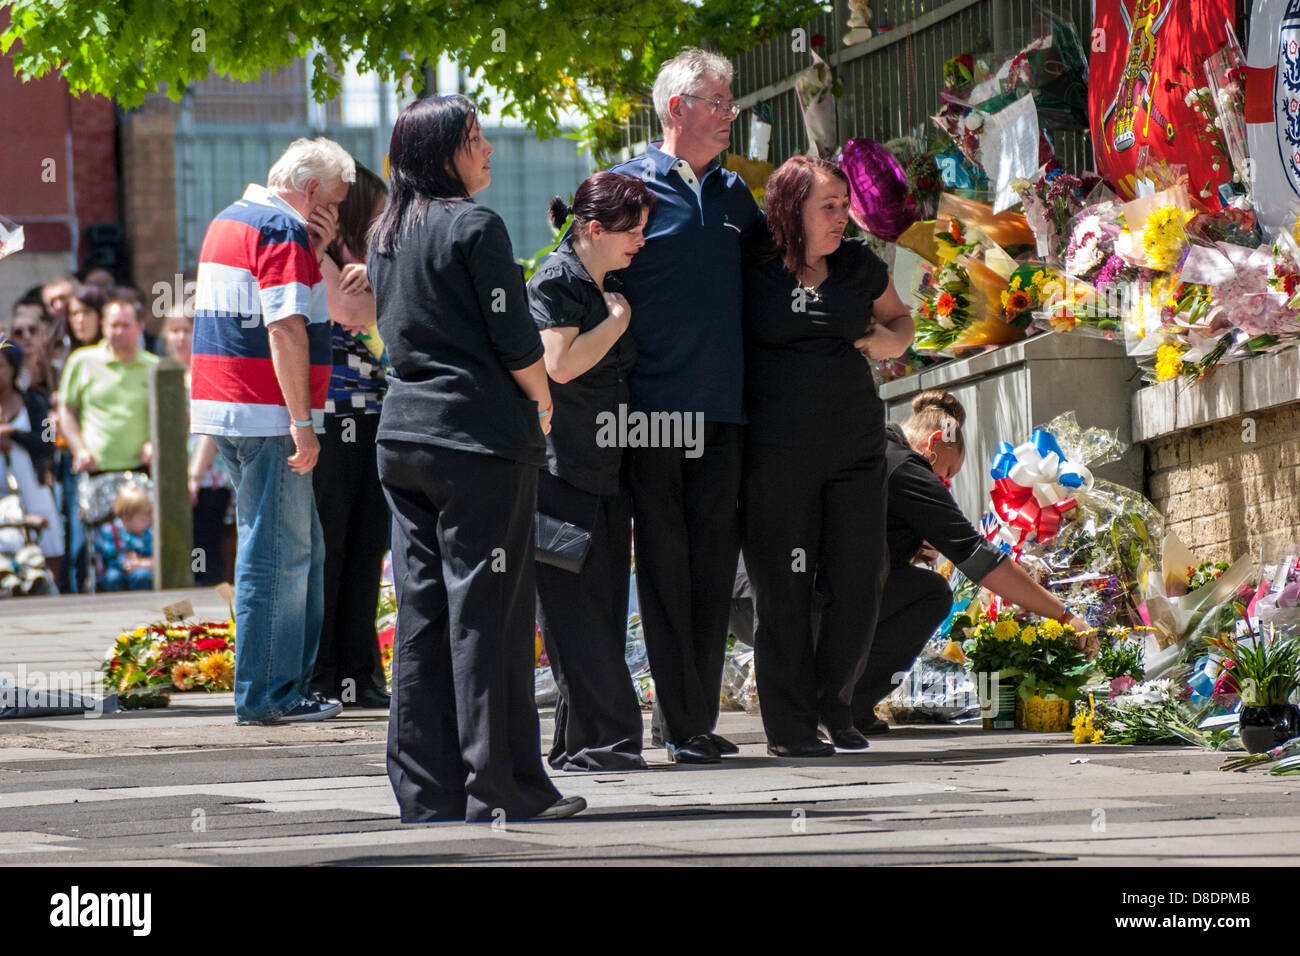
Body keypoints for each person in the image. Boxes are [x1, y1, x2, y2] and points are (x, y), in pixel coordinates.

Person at [368, 94, 583, 822]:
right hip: (476, 438)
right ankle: (507, 786)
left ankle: (427, 791)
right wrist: (543, 400)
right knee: (489, 614)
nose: (489, 149)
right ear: (443, 153)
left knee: (425, 614)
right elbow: (515, 338)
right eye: (475, 138)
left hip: (405, 437)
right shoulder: (474, 225)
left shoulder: (387, 230)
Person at [606, 47, 763, 764]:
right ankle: (677, 721)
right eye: (718, 103)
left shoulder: (736, 196)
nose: (730, 114)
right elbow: (580, 280)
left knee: (711, 568)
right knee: (665, 571)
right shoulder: (622, 189)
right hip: (650, 416)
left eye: (729, 103)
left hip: (723, 414)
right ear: (677, 109)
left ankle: (693, 722)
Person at [740, 156, 915, 757]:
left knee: (859, 581)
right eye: (829, 206)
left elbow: (902, 321)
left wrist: (884, 341)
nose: (843, 217)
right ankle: (789, 728)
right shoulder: (753, 263)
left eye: (845, 204)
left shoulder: (859, 263)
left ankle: (833, 707)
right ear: (792, 210)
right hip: (775, 456)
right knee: (784, 589)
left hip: (855, 449)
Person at [190, 136, 353, 726]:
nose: (333, 211)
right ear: (310, 190)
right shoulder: (280, 228)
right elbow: (285, 328)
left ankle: (280, 686)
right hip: (265, 410)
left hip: (229, 404)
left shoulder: (231, 218)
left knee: (290, 546)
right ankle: (270, 692)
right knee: (278, 553)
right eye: (332, 200)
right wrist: (302, 422)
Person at [850, 389, 1093, 733]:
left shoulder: (874, 445)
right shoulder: (908, 469)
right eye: (945, 473)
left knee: (905, 586)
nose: (944, 486)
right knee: (930, 595)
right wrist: (1064, 615)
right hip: (818, 599)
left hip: (772, 589)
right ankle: (846, 702)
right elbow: (980, 560)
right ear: (934, 442)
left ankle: (827, 695)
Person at [529, 172, 657, 772]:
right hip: (561, 476)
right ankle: (609, 737)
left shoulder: (603, 280)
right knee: (571, 607)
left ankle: (583, 741)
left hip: (600, 472)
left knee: (597, 605)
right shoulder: (558, 278)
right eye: (632, 230)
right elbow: (558, 364)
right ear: (594, 228)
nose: (641, 241)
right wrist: (616, 325)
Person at [311, 162, 391, 710]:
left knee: (368, 545)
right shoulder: (316, 259)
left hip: (378, 415)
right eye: (378, 210)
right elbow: (350, 311)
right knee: (331, 546)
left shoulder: (369, 265)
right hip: (331, 415)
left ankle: (362, 672)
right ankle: (323, 672)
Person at [163, 308, 236, 586]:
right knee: (181, 559)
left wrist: (193, 477)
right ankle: (177, 620)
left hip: (207, 481)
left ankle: (208, 622)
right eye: (174, 330)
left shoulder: (210, 373)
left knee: (207, 559)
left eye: (187, 330)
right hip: (176, 479)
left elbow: (211, 431)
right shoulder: (168, 375)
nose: (180, 338)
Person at [57, 298, 156, 477]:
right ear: (103, 326)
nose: (119, 332)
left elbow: (168, 416)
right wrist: (79, 449)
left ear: (140, 327)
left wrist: (154, 443)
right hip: (95, 467)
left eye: (125, 326)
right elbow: (67, 411)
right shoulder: (82, 361)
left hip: (142, 469)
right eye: (114, 325)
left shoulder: (155, 367)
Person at [0, 338, 62, 581]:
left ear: (13, 368)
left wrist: (14, 434)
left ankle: (48, 588)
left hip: (32, 482)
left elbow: (47, 443)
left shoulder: (33, 403)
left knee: (48, 539)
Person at [94, 484, 153, 591]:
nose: (148, 522)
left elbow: (155, 556)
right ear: (125, 519)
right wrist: (127, 562)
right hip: (116, 569)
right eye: (143, 519)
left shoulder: (149, 533)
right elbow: (107, 554)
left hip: (142, 568)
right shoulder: (110, 532)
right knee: (112, 578)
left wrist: (141, 563)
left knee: (142, 575)